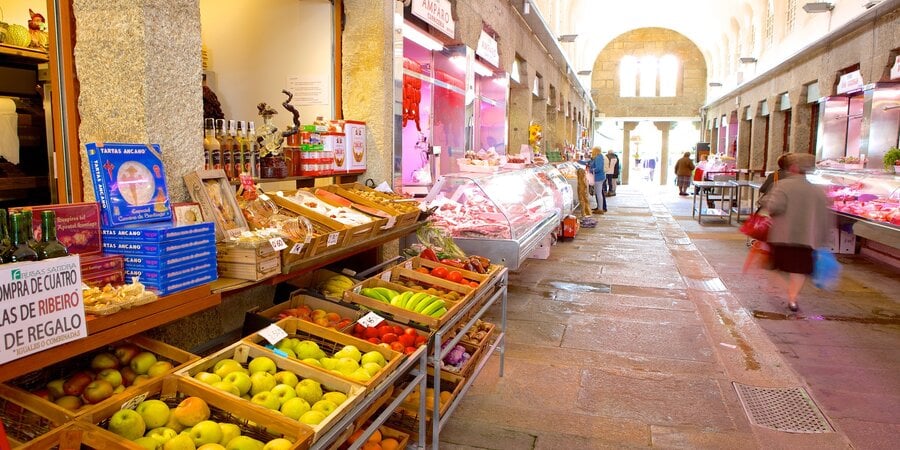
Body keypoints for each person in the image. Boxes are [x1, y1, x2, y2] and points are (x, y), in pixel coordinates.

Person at [759, 153, 832, 312]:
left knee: (775, 266)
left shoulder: (783, 185)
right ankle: (792, 298)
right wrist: (823, 238)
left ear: (793, 168)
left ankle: (780, 289)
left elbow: (773, 207)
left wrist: (765, 203)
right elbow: (824, 215)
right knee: (799, 269)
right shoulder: (818, 190)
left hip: (782, 235)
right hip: (806, 237)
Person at [580, 147, 607, 214]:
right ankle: (599, 207)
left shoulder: (598, 158)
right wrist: (578, 161)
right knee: (598, 193)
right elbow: (588, 162)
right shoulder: (597, 157)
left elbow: (598, 168)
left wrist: (590, 170)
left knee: (598, 193)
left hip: (599, 178)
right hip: (598, 177)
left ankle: (600, 209)